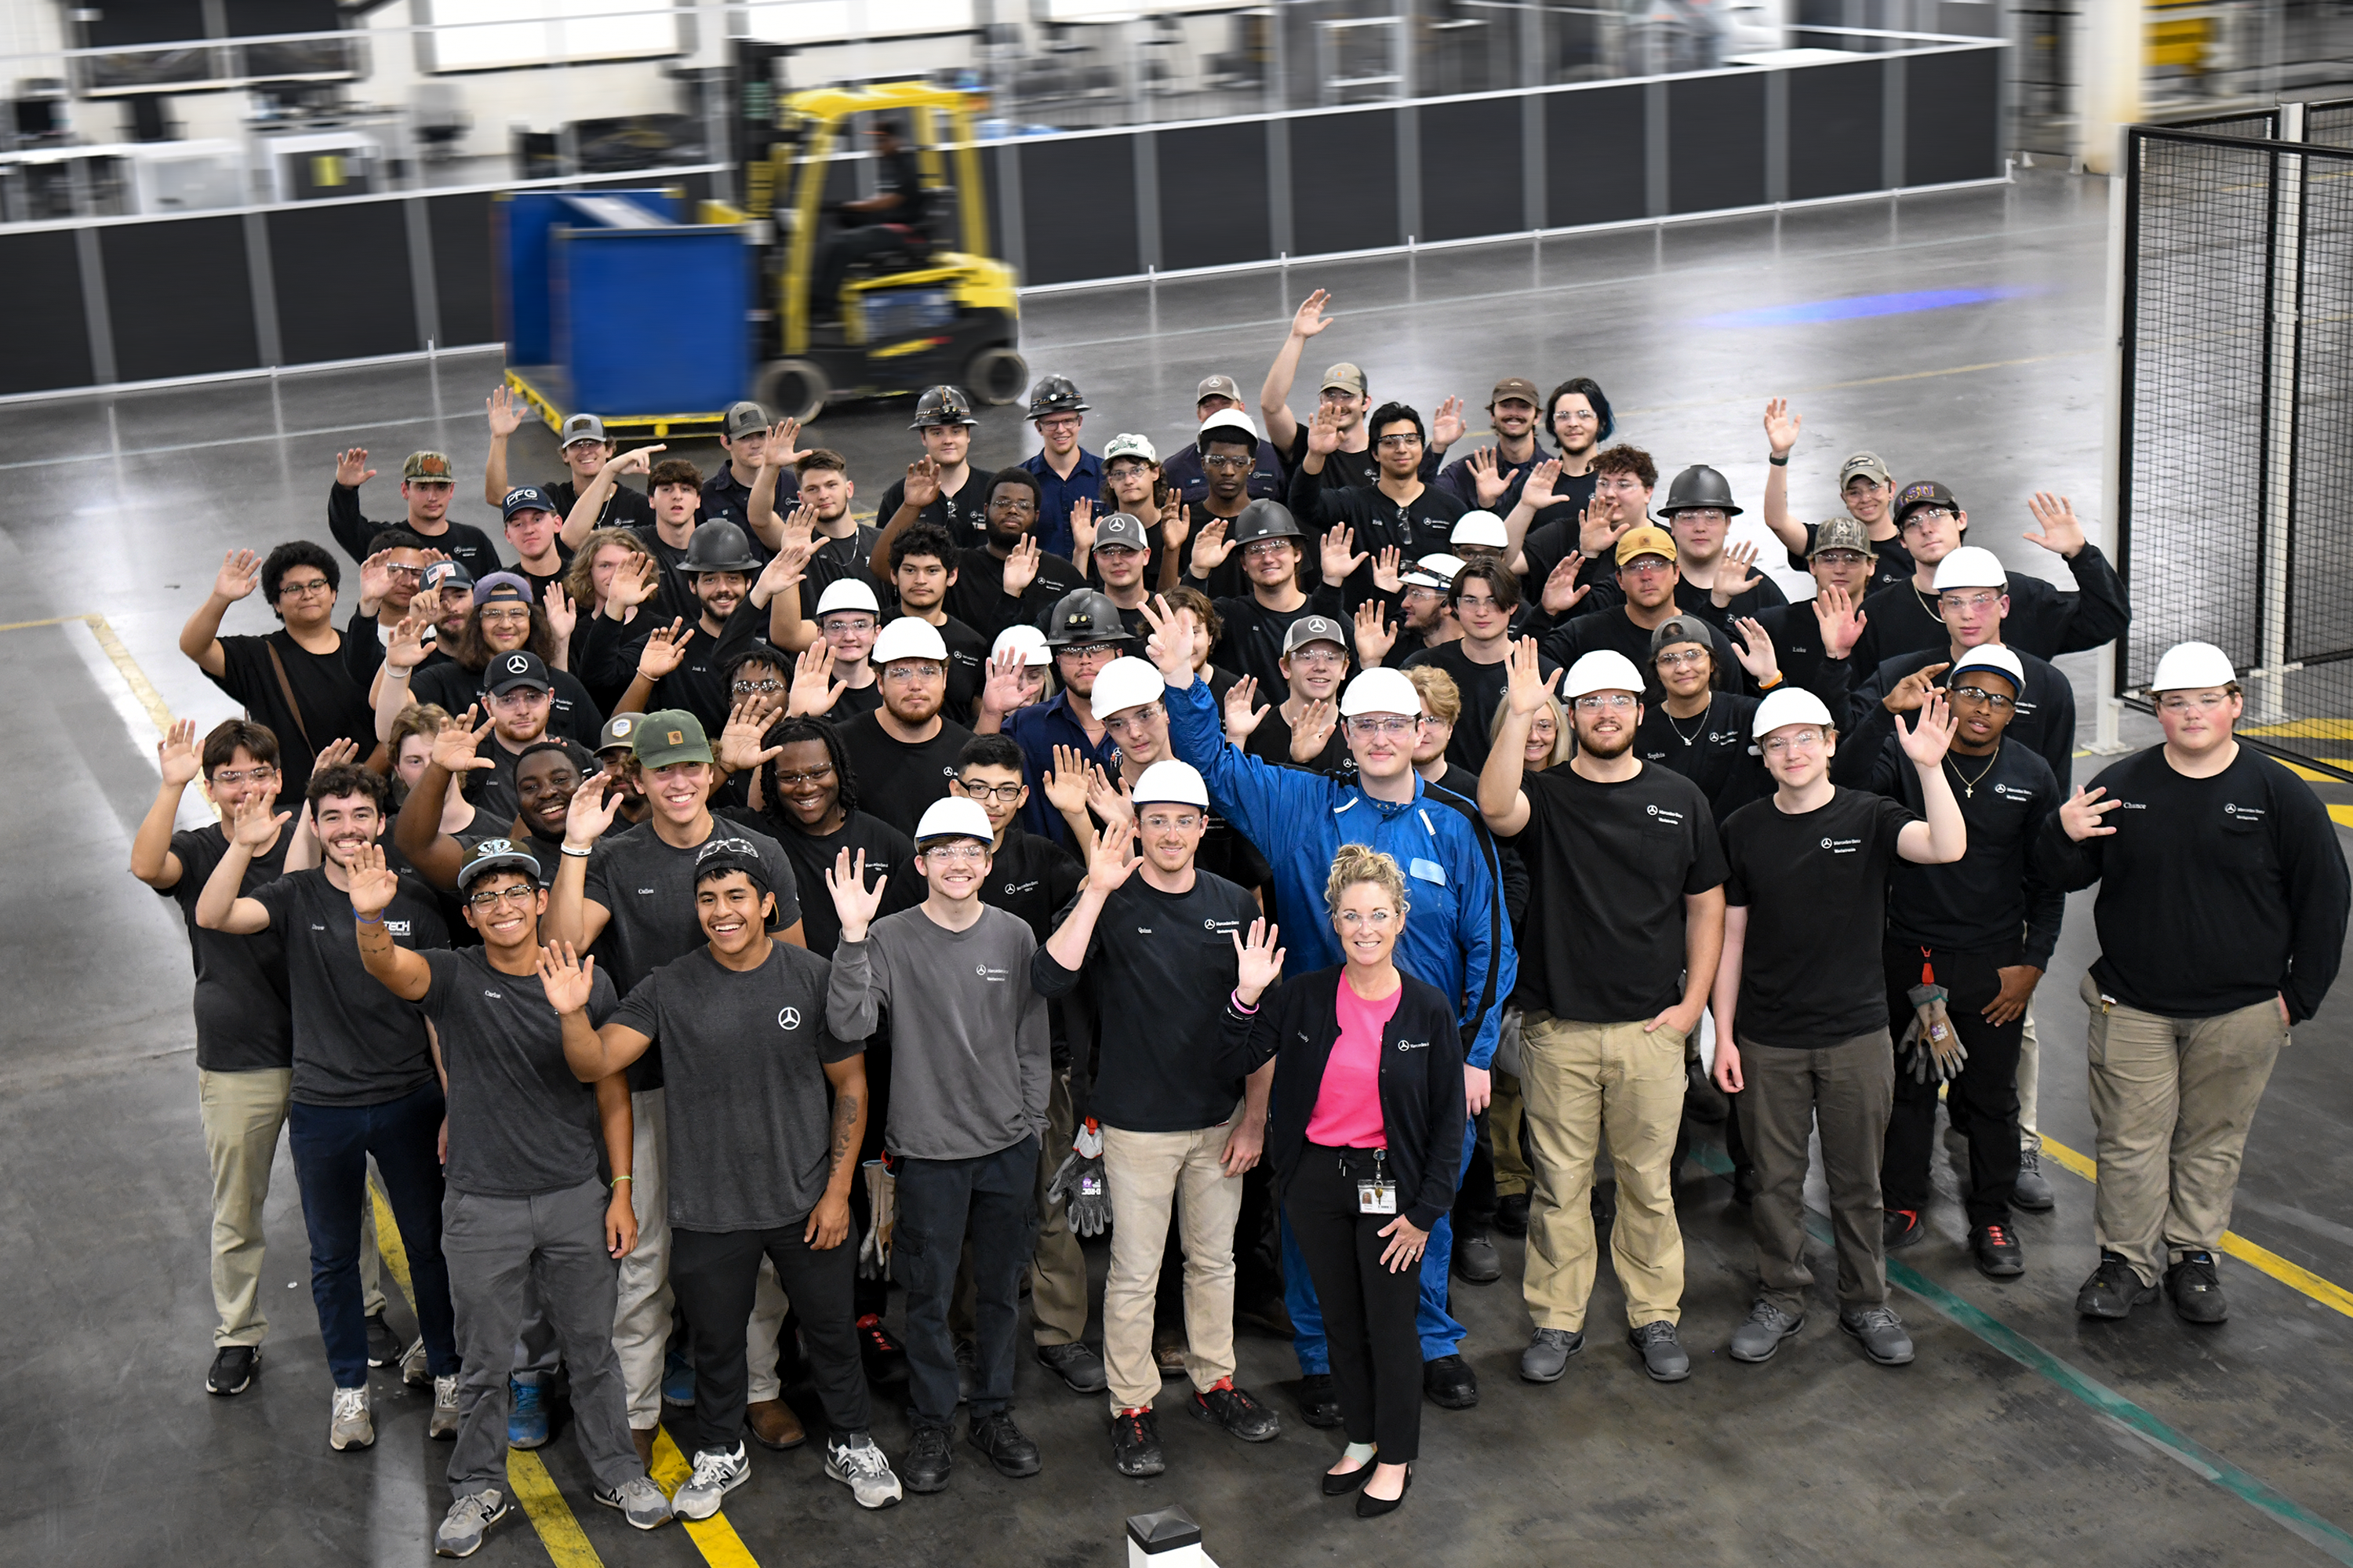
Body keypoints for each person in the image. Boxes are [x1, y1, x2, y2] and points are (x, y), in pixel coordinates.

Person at [1146, 603, 1510, 1413]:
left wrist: (1477, 1052)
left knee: (1424, 1205)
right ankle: (1320, 1356)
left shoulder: (1457, 823)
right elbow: (1212, 764)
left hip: (1426, 1061)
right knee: (1316, 1209)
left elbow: (1492, 947)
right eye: (1364, 724)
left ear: (1422, 729)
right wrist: (1181, 683)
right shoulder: (1300, 808)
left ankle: (1430, 1340)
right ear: (1344, 732)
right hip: (1323, 1057)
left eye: (1396, 723)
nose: (1380, 737)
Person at [555, 839, 901, 1518]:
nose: (722, 911)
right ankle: (719, 1450)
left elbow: (851, 1085)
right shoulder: (668, 984)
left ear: (768, 903)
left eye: (737, 895)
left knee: (831, 1330)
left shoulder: (812, 975)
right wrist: (572, 1012)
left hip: (806, 1199)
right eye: (709, 898)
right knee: (716, 1340)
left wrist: (836, 1194)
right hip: (709, 1208)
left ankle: (853, 1439)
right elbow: (595, 1064)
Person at [347, 840, 671, 1553]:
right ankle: (477, 1489)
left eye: (515, 891)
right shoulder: (454, 976)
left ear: (538, 902)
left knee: (593, 1349)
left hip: (573, 1198)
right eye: (487, 896)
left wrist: (619, 1190)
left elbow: (612, 1093)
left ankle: (618, 1470)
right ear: (469, 913)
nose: (503, 905)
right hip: (480, 1202)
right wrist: (370, 919)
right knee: (484, 1358)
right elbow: (390, 967)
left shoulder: (586, 979)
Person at [2038, 642, 2350, 1324]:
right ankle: (2126, 1262)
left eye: (2209, 699)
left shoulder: (2279, 794)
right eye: (2176, 702)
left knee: (2212, 1139)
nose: (2193, 714)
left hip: (2241, 1012)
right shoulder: (2122, 783)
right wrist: (2058, 833)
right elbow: (2065, 876)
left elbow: (2326, 897)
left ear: (2236, 704)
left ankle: (2194, 1258)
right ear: (2157, 711)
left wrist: (2298, 999)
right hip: (2133, 1006)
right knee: (2128, 1138)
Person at [546, 711, 807, 1456]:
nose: (680, 781)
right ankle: (635, 1403)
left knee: (761, 1252)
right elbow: (561, 945)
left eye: (691, 766)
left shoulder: (758, 850)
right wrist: (575, 845)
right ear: (640, 779)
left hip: (753, 1090)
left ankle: (762, 1390)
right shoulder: (620, 858)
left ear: (711, 768)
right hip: (656, 1084)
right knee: (647, 1254)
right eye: (663, 771)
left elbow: (797, 973)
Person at [1476, 642, 1726, 1384]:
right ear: (1574, 715)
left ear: (1640, 712)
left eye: (1619, 700)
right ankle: (1558, 1319)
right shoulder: (1547, 796)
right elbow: (1495, 805)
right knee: (1561, 1185)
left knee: (1648, 1184)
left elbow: (1706, 903)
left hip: (1654, 1030)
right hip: (1561, 1030)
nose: (1607, 712)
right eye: (1591, 702)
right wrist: (1519, 715)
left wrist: (1690, 1007)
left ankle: (1655, 1314)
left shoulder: (1681, 796)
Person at [194, 765, 459, 1450]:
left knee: (430, 1244)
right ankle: (350, 1390)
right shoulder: (293, 894)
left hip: (408, 1099)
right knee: (333, 1255)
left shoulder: (415, 903)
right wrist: (243, 846)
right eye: (333, 816)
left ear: (381, 820)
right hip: (324, 1106)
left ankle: (449, 1371)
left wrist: (454, 1104)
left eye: (361, 814)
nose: (348, 828)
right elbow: (214, 913)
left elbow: (436, 1017)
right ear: (314, 824)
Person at [1711, 686, 1966, 1369]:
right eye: (1776, 743)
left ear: (1829, 743)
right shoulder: (1742, 829)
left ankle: (1866, 1299)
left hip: (1857, 1034)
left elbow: (1945, 845)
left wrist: (1932, 767)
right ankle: (1782, 1295)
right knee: (1774, 1179)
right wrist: (1724, 1034)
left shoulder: (1872, 814)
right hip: (1769, 1037)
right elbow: (1730, 940)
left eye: (1804, 738)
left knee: (1859, 1180)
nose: (1791, 752)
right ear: (1762, 757)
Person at [1219, 846, 1467, 1516]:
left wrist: (1424, 1212)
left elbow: (1449, 1124)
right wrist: (1246, 994)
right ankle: (1360, 1437)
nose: (1365, 927)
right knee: (1340, 1320)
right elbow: (1233, 1056)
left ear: (1401, 919)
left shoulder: (1427, 1010)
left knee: (1390, 1326)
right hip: (1318, 1184)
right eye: (1351, 915)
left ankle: (1396, 1454)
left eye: (1378, 914)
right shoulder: (1300, 996)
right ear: (1334, 921)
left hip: (1393, 1191)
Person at [824, 797, 1054, 1493]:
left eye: (972, 851)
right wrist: (854, 935)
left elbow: (1032, 1040)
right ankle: (933, 1415)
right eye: (942, 851)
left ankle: (992, 1409)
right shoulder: (889, 935)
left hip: (1006, 1147)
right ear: (920, 863)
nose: (958, 863)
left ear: (988, 863)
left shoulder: (1015, 934)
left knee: (999, 1292)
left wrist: (1032, 1124)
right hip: (927, 1150)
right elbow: (849, 1020)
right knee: (925, 1294)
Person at [1831, 644, 2063, 1277]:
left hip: (1994, 967)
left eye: (2000, 700)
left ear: (2014, 712)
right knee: (1905, 1090)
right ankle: (1903, 1203)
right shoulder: (1903, 754)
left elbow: (2047, 881)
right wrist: (1885, 713)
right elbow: (1845, 787)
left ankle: (1991, 1215)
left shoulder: (2033, 774)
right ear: (1948, 694)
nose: (1982, 708)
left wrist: (2033, 963)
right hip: (1908, 955)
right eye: (1971, 693)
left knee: (1990, 1099)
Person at [133, 719, 316, 1395]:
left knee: (340, 1196)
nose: (246, 785)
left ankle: (366, 1308)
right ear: (211, 788)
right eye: (229, 774)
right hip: (239, 1056)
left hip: (324, 1049)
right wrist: (169, 785)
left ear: (278, 777)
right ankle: (238, 1331)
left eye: (259, 770)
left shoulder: (310, 834)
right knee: (239, 1204)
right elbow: (148, 866)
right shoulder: (200, 846)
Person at [1846, 545, 2075, 790]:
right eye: (1955, 603)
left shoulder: (2049, 685)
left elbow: (2055, 787)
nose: (1967, 614)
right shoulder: (1901, 677)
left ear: (2005, 606)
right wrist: (1836, 660)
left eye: (1981, 601)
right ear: (1942, 610)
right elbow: (1846, 744)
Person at [1849, 484, 2127, 669]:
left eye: (1936, 514)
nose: (1926, 529)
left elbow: (2106, 621)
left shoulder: (2020, 595)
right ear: (1902, 541)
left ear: (1961, 520)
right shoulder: (1879, 614)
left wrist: (2080, 554)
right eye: (1913, 523)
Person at [181, 544, 376, 788]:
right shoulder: (258, 657)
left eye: (317, 584)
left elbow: (390, 732)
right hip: (291, 810)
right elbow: (194, 647)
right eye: (294, 588)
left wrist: (359, 785)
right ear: (276, 603)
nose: (308, 594)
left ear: (334, 593)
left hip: (366, 799)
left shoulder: (363, 651)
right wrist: (220, 599)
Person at [387, 572, 604, 754]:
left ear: (532, 620)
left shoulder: (564, 684)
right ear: (476, 622)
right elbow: (390, 727)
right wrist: (396, 667)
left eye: (517, 613)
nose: (506, 624)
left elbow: (599, 752)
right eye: (493, 614)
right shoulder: (444, 679)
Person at [981, 589, 1133, 844]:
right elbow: (978, 774)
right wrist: (991, 713)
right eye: (1072, 651)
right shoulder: (1027, 726)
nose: (1085, 660)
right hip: (1046, 875)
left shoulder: (1143, 724)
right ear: (1058, 659)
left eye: (1096, 648)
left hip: (1134, 871)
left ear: (1118, 654)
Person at [1288, 402, 1466, 606]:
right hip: (1367, 629)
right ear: (1374, 452)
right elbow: (1304, 504)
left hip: (1434, 631)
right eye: (1390, 442)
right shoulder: (1353, 505)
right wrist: (1316, 454)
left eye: (1411, 440)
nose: (1402, 449)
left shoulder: (1451, 509)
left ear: (1421, 447)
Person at [1538, 527, 1747, 700]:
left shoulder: (1709, 640)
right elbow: (1522, 668)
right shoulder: (1584, 633)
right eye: (1634, 567)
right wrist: (1546, 611)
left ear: (1676, 573)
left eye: (1657, 564)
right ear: (1619, 579)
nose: (1646, 576)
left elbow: (1731, 710)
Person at [1401, 559, 1553, 774]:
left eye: (1492, 601)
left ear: (1512, 606)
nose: (1482, 612)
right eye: (1470, 601)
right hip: (1437, 797)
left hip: (1518, 798)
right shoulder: (1423, 666)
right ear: (1454, 606)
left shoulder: (1541, 674)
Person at [1184, 498, 1346, 693]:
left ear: (1297, 553)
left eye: (1278, 546)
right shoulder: (1228, 616)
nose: (1268, 558)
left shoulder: (1322, 613)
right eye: (1255, 550)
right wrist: (1198, 571)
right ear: (1244, 563)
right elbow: (1180, 629)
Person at [835, 618, 977, 839]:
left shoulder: (969, 751)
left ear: (945, 678)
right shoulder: (841, 744)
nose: (916, 685)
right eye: (901, 673)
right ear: (880, 682)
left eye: (928, 671)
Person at [1755, 404, 1911, 591]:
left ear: (1891, 489)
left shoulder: (1914, 545)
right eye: (1854, 492)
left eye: (1873, 487)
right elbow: (1777, 521)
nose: (1865, 498)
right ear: (1844, 498)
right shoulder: (1828, 543)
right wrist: (1780, 456)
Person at [1631, 614, 1769, 823]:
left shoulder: (1744, 714)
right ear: (1657, 672)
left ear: (1712, 663)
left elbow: (1793, 728)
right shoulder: (1642, 729)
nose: (1683, 668)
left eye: (1693, 655)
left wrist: (1770, 679)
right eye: (1669, 660)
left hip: (1743, 843)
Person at [936, 469, 1086, 642]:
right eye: (1002, 503)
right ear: (985, 509)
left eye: (1024, 506)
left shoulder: (1062, 573)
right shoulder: (958, 566)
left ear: (1036, 516)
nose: (1013, 510)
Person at [813, 118, 929, 319]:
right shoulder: (896, 162)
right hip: (894, 223)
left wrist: (848, 205)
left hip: (904, 231)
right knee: (846, 217)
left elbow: (889, 201)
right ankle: (831, 287)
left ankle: (823, 308)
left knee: (840, 245)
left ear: (896, 141)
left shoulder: (907, 165)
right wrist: (848, 207)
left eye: (881, 141)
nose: (876, 147)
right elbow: (883, 197)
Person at [331, 449, 504, 583]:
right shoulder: (387, 543)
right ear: (405, 490)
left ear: (451, 491)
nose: (432, 497)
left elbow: (496, 589)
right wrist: (345, 490)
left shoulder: (474, 540)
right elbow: (346, 527)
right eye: (422, 488)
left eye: (441, 487)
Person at [483, 398, 656, 531]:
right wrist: (499, 438)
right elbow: (497, 496)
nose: (586, 451)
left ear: (609, 450)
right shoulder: (552, 499)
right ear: (565, 455)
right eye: (576, 445)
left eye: (592, 443)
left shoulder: (637, 506)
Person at [880, 524, 990, 721]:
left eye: (932, 571)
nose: (920, 580)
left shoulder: (973, 645)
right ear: (894, 575)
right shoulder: (871, 630)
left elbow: (982, 718)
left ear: (952, 576)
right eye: (910, 570)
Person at [755, 444, 885, 609]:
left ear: (849, 489)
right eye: (813, 489)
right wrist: (771, 468)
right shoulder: (796, 545)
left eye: (831, 485)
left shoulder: (881, 542)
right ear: (801, 498)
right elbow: (760, 519)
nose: (823, 495)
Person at [1654, 465, 1786, 627]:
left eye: (1711, 517)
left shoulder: (1757, 589)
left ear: (1727, 524)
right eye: (1688, 517)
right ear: (1672, 524)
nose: (1700, 527)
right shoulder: (1653, 586)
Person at [874, 387, 995, 551]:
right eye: (937, 433)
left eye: (956, 431)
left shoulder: (995, 490)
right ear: (923, 438)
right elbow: (881, 558)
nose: (948, 440)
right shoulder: (898, 497)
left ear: (968, 435)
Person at [1175, 412, 1271, 600]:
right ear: (1203, 464)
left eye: (1239, 462)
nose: (1228, 471)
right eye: (1217, 461)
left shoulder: (1270, 518)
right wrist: (1172, 549)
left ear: (1252, 466)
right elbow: (1169, 598)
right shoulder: (1185, 524)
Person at [1161, 373, 1284, 504]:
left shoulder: (1276, 460)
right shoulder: (1175, 469)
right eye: (1208, 406)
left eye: (1225, 403)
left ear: (1242, 408)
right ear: (1199, 414)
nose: (1218, 411)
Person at [1019, 377, 1100, 560]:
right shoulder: (1020, 482)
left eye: (1068, 421)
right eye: (1051, 423)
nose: (1061, 429)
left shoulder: (1106, 476)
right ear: (1038, 427)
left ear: (1080, 422)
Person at [704, 401, 788, 532]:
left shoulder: (793, 485)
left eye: (761, 435)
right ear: (726, 442)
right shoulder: (707, 497)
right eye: (745, 437)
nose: (756, 445)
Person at [500, 486, 573, 606]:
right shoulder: (504, 588)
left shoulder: (583, 580)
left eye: (537, 520)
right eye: (518, 524)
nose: (529, 530)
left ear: (557, 524)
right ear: (508, 535)